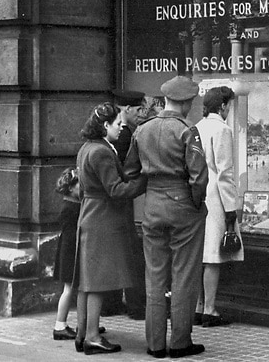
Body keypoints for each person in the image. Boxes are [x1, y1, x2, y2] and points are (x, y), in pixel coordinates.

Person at [124, 75, 208, 359]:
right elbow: (198, 177)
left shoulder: (143, 129)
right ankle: (180, 342)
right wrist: (195, 204)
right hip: (183, 206)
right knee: (184, 275)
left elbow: (130, 171)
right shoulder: (187, 130)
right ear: (185, 102)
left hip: (153, 206)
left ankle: (155, 344)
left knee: (155, 277)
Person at [73, 102, 147, 355]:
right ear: (105, 125)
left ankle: (83, 332)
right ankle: (93, 336)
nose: (122, 127)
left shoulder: (87, 148)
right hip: (103, 219)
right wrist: (143, 182)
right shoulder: (102, 152)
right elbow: (116, 190)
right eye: (118, 123)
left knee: (86, 280)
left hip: (90, 215)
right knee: (97, 281)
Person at [194, 86, 243, 327]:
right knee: (213, 255)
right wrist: (231, 207)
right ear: (222, 106)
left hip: (197, 193)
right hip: (215, 196)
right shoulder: (222, 130)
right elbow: (225, 173)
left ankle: (198, 306)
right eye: (228, 106)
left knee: (200, 254)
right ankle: (210, 310)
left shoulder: (196, 128)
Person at [100, 89, 146, 320]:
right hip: (120, 204)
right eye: (138, 110)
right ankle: (138, 307)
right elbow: (124, 174)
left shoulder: (107, 138)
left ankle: (110, 304)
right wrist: (141, 184)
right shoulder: (126, 135)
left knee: (114, 255)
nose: (141, 114)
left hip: (107, 207)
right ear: (126, 109)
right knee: (131, 255)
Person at [52, 167, 81, 340]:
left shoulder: (69, 204)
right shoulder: (71, 207)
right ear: (71, 187)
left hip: (68, 251)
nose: (82, 188)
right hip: (71, 253)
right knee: (68, 289)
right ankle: (59, 325)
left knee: (70, 289)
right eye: (79, 185)